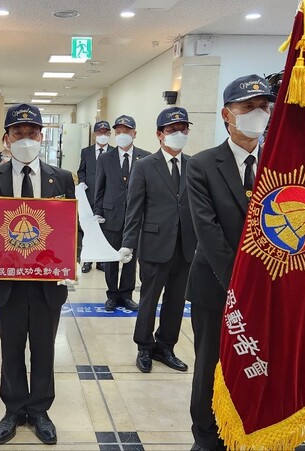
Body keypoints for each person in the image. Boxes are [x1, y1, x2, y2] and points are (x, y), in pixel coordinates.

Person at [0, 103, 77, 446]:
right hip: (6, 282)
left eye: (32, 133)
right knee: (11, 347)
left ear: (42, 137)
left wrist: (73, 263)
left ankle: (40, 410)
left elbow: (73, 227)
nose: (25, 138)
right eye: (18, 133)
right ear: (6, 138)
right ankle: (14, 408)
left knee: (44, 347)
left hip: (48, 282)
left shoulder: (61, 178)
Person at [185, 74, 275, 451]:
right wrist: (241, 284)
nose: (257, 114)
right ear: (227, 114)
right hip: (217, 284)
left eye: (263, 107)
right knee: (211, 362)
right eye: (247, 107)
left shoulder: (278, 163)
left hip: (270, 287)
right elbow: (208, 232)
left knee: (259, 360)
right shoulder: (204, 164)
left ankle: (253, 426)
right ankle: (206, 436)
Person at [122, 107, 196, 374]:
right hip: (154, 243)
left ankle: (166, 346)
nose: (178, 134)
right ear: (159, 134)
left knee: (176, 300)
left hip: (185, 246)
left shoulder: (194, 165)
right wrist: (128, 243)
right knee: (149, 298)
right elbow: (134, 208)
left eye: (183, 129)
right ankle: (144, 346)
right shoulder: (144, 166)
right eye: (172, 130)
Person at [93, 115, 150, 312]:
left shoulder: (146, 157)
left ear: (134, 133)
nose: (122, 135)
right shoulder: (105, 158)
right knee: (110, 258)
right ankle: (112, 294)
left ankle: (126, 294)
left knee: (130, 259)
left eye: (126, 131)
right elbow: (99, 188)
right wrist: (97, 211)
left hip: (135, 217)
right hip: (111, 215)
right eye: (118, 132)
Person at [77, 120, 113, 273]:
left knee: (103, 228)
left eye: (105, 132)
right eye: (100, 132)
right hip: (89, 193)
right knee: (88, 228)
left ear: (110, 134)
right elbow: (81, 170)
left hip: (107, 196)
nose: (102, 135)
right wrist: (82, 182)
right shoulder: (87, 151)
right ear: (94, 134)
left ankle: (101, 260)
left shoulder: (114, 151)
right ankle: (88, 260)